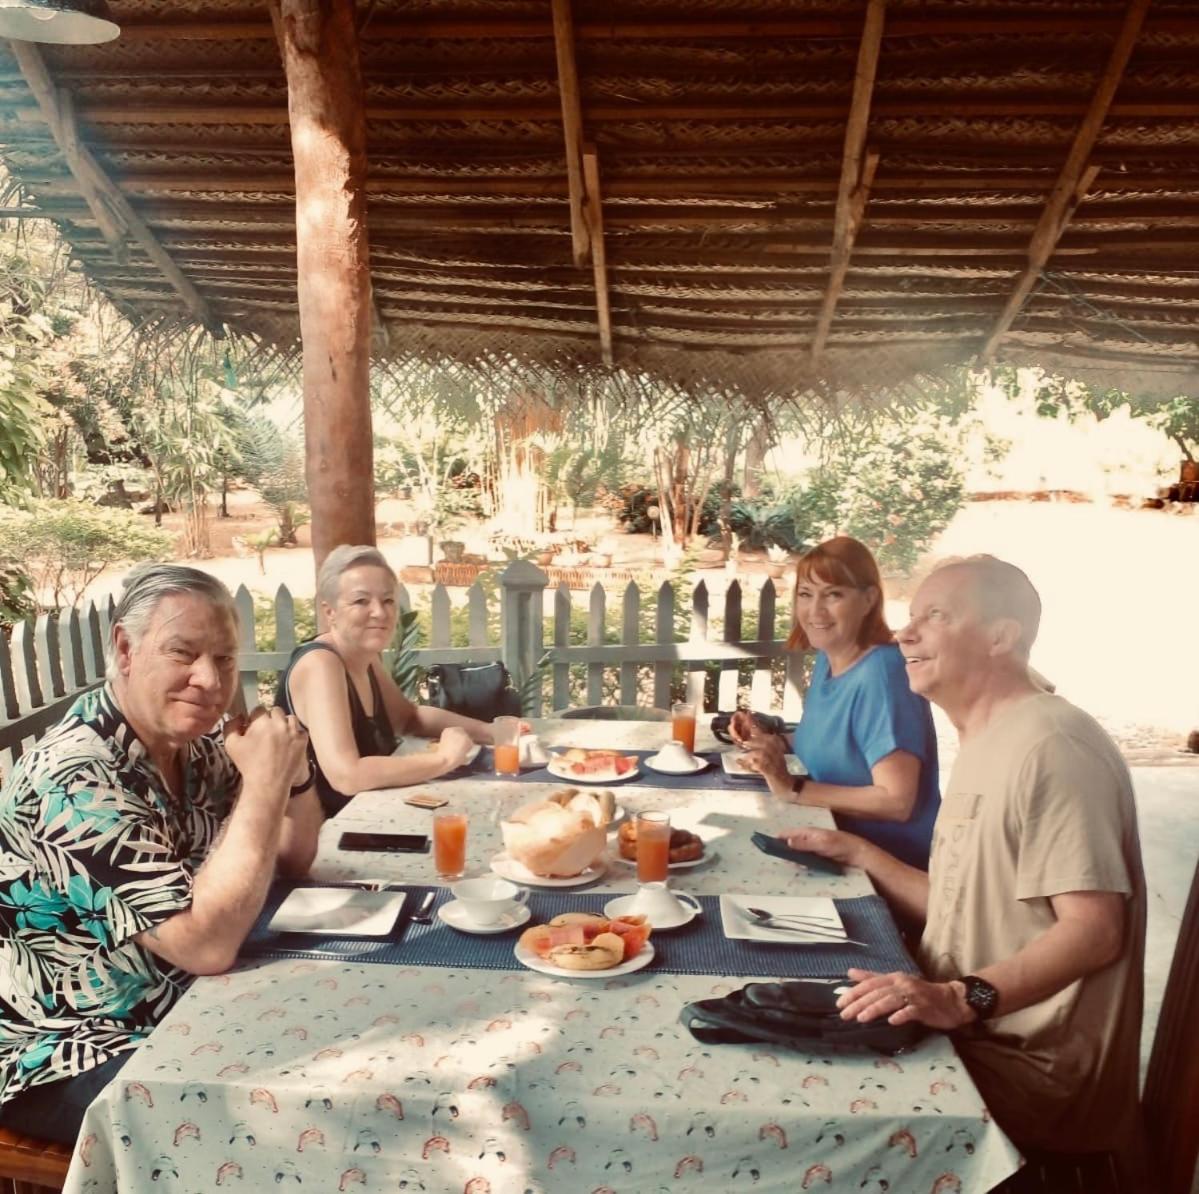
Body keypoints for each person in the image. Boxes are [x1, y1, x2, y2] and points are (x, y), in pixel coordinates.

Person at [783, 556, 1146, 1181]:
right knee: (766, 1013)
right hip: (972, 1036)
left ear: (1000, 638)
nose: (905, 633)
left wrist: (960, 996)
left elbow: (1094, 929)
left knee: (792, 1125)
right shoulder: (987, 736)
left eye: (936, 617)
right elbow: (964, 906)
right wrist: (861, 854)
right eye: (913, 615)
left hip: (1026, 1080)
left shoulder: (1054, 746)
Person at [0, 564, 321, 1146]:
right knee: (280, 1126)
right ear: (125, 648)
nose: (209, 678)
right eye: (183, 652)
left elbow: (293, 859)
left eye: (224, 659)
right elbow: (204, 945)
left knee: (335, 1039)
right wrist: (266, 786)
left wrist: (291, 778)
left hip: (182, 1007)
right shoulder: (74, 780)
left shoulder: (194, 751)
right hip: (68, 1047)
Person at [733, 535, 940, 869]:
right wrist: (769, 742)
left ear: (869, 599)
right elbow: (832, 740)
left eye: (833, 595)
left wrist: (792, 787)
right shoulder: (831, 658)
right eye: (805, 594)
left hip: (887, 870)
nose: (815, 611)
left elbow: (896, 800)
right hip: (827, 843)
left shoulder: (883, 675)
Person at [276, 545, 500, 816]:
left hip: (371, 814)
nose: (380, 613)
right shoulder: (320, 665)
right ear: (330, 612)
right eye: (361, 601)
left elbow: (408, 718)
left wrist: (491, 732)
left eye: (388, 600)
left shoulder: (364, 657)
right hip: (325, 835)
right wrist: (444, 759)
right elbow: (346, 776)